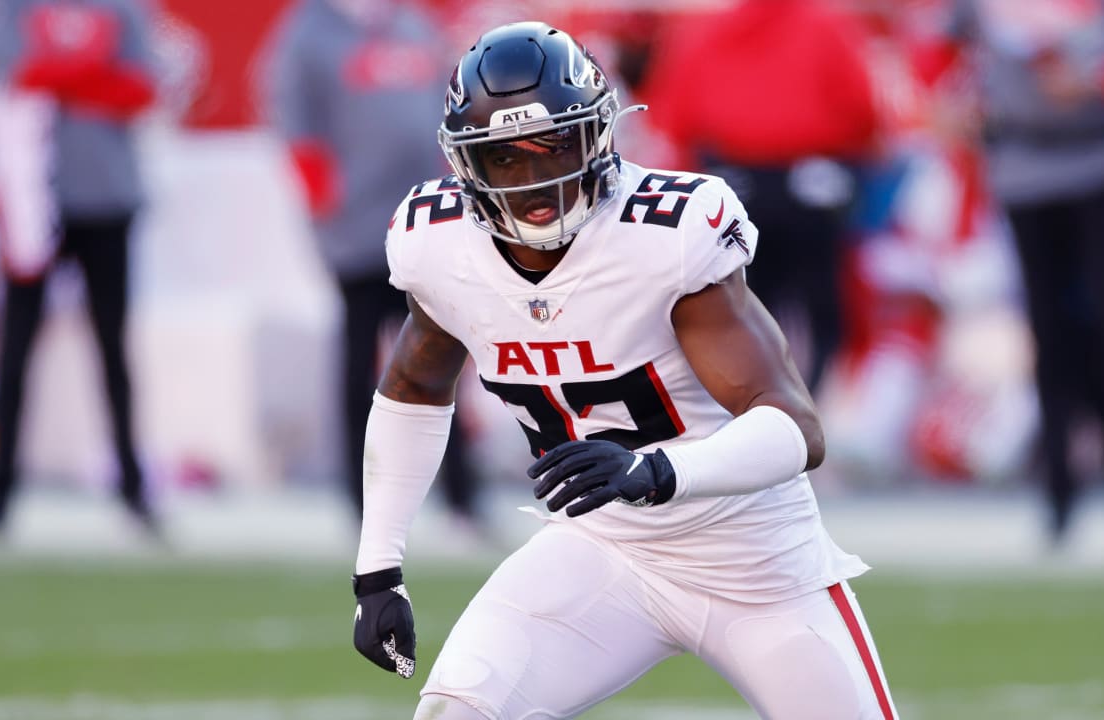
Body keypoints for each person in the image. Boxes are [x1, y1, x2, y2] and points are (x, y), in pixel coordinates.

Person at [350, 22, 899, 720]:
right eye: (505, 160)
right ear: (465, 165)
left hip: (754, 563)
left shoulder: (666, 236)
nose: (537, 181)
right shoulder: (440, 245)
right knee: (456, 712)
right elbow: (415, 389)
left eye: (555, 146)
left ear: (601, 134)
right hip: (602, 548)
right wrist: (378, 569)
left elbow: (795, 426)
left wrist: (659, 472)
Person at [921, 0, 1104, 546]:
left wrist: (1100, 80)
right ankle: (1059, 493)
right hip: (1022, 169)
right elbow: (935, 47)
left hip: (1100, 164)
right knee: (1049, 332)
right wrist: (947, 100)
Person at [262, 0, 484, 528]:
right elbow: (294, 119)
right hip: (359, 229)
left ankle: (459, 493)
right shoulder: (308, 31)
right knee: (361, 363)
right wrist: (327, 202)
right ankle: (363, 500)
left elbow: (446, 111)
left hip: (425, 223)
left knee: (442, 354)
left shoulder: (412, 25)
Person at [0, 0, 158, 537]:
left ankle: (133, 488)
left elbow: (142, 87)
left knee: (113, 351)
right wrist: (93, 69)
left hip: (106, 196)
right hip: (31, 199)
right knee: (14, 350)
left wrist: (60, 74)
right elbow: (12, 67)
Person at [639, 0, 881, 392]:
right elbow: (863, 112)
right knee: (819, 313)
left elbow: (674, 117)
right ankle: (811, 412)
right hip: (809, 187)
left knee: (742, 312)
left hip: (734, 190)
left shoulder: (705, 31)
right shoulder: (826, 25)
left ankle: (757, 413)